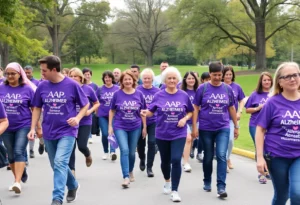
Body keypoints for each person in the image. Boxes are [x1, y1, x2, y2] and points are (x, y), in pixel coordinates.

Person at [28, 55, 89, 205]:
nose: (41, 74)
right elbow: (37, 108)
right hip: (49, 131)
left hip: (67, 131)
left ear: (54, 70)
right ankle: (73, 185)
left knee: (60, 162)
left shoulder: (72, 85)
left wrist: (78, 118)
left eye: (44, 71)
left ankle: (57, 198)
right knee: (55, 164)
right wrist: (33, 128)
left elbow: (85, 105)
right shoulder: (42, 86)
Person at [141, 66, 194, 202]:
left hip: (179, 133)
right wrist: (145, 113)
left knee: (176, 159)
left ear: (177, 80)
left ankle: (175, 190)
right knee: (165, 161)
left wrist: (185, 119)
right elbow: (151, 111)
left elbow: (190, 111)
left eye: (174, 78)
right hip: (162, 133)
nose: (171, 80)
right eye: (169, 78)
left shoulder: (183, 95)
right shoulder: (158, 95)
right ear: (165, 80)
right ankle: (167, 181)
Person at [256, 62, 300, 205]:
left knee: (297, 193)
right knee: (281, 196)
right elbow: (260, 129)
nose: (293, 79)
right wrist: (260, 157)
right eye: (287, 76)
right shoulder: (272, 103)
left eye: (295, 75)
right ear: (280, 82)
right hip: (277, 156)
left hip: (298, 156)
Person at [192, 62, 238, 198]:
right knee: (207, 157)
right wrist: (195, 126)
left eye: (219, 75)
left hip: (223, 127)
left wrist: (236, 126)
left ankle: (221, 186)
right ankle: (207, 181)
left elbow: (231, 108)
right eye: (214, 75)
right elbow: (195, 107)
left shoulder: (227, 89)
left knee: (221, 155)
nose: (217, 77)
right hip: (206, 128)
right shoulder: (203, 88)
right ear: (210, 74)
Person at [0, 62, 37, 194]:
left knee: (18, 151)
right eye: (7, 74)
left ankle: (17, 182)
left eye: (12, 74)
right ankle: (21, 173)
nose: (9, 76)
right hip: (6, 126)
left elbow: (35, 108)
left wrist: (36, 127)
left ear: (19, 74)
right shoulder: (1, 88)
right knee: (10, 154)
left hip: (23, 124)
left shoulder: (27, 89)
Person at [108, 69, 146, 188]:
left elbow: (143, 112)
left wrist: (144, 127)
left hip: (135, 126)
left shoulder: (139, 94)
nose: (128, 81)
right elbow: (112, 110)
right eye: (125, 80)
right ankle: (125, 176)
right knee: (124, 150)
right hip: (120, 126)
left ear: (133, 80)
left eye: (129, 79)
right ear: (121, 81)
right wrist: (110, 126)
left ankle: (130, 171)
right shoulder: (117, 94)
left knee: (131, 152)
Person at [68, 68, 99, 177]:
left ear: (81, 78)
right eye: (70, 76)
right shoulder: (67, 89)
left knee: (81, 145)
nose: (73, 78)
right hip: (70, 122)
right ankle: (72, 170)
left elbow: (96, 103)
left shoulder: (88, 89)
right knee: (70, 147)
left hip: (85, 122)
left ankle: (87, 154)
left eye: (75, 76)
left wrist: (89, 111)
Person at [245, 72, 273, 184]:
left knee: (269, 148)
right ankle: (261, 173)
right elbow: (247, 110)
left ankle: (268, 170)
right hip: (255, 125)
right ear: (261, 82)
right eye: (264, 80)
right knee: (259, 147)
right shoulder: (255, 94)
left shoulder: (274, 94)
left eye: (269, 80)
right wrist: (258, 108)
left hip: (270, 126)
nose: (267, 82)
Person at [136, 68, 160, 177]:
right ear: (142, 79)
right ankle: (142, 158)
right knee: (141, 144)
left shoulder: (157, 92)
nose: (146, 80)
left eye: (149, 78)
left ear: (152, 79)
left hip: (153, 121)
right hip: (139, 121)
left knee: (151, 143)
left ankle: (149, 167)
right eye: (145, 78)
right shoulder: (137, 90)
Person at [222, 66, 245, 171]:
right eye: (226, 74)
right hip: (220, 118)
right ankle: (223, 161)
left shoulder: (237, 87)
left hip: (232, 118)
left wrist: (239, 111)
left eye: (230, 74)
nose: (228, 76)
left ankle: (227, 158)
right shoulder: (220, 86)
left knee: (231, 140)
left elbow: (242, 100)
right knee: (223, 140)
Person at [96, 71, 119, 161]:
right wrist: (96, 112)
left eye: (109, 77)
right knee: (105, 133)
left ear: (112, 78)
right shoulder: (100, 89)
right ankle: (105, 151)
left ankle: (112, 152)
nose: (107, 79)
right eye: (105, 77)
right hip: (102, 115)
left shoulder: (117, 88)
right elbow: (96, 101)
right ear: (103, 79)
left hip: (114, 115)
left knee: (112, 132)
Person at [180, 71, 199, 172]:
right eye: (189, 78)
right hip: (185, 120)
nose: (191, 80)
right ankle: (186, 162)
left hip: (197, 120)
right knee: (188, 139)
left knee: (192, 140)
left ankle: (185, 155)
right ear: (185, 80)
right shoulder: (182, 92)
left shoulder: (199, 91)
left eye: (193, 78)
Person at [23, 65, 40, 159]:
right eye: (25, 72)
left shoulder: (36, 82)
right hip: (25, 111)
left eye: (29, 72)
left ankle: (36, 146)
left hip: (36, 108)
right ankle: (28, 150)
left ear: (32, 72)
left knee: (37, 130)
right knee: (29, 130)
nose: (27, 74)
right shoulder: (22, 83)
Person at [82, 67, 99, 143]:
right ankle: (88, 136)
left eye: (88, 74)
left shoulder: (94, 86)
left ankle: (89, 135)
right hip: (83, 106)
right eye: (85, 74)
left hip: (91, 107)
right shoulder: (81, 86)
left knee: (89, 121)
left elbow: (97, 98)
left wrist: (96, 110)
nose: (87, 76)